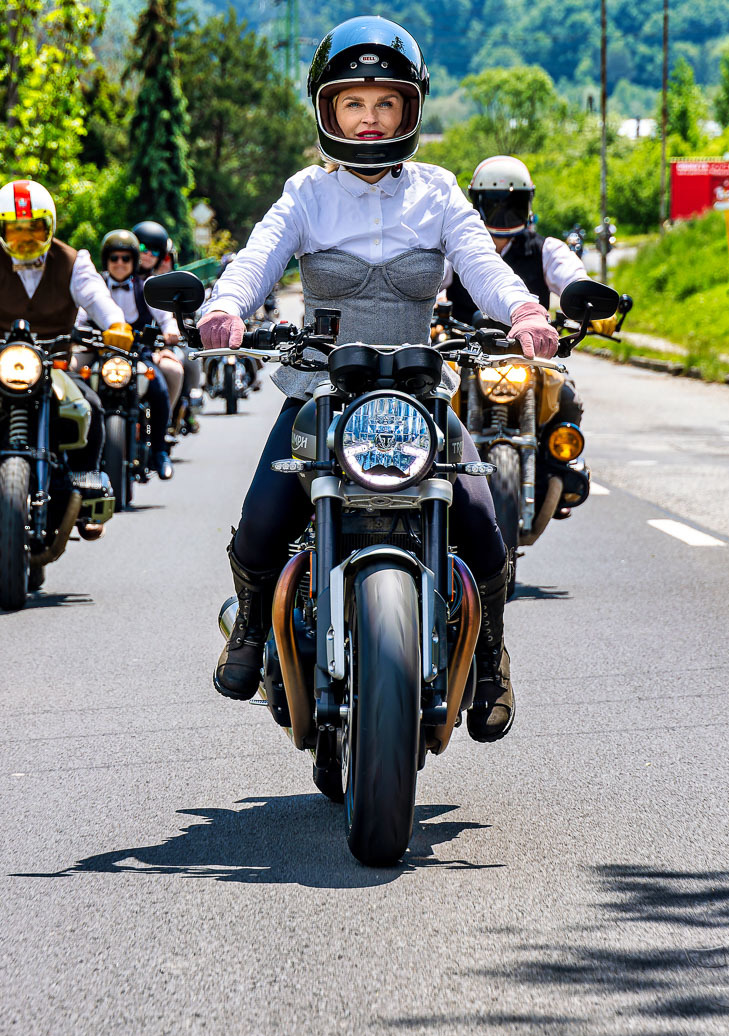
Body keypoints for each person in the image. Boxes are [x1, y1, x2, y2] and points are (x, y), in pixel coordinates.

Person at [196, 17, 559, 742]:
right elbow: (257, 257)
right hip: (319, 391)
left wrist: (521, 309)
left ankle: (490, 662)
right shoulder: (307, 193)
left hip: (418, 394)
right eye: (354, 103)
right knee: (262, 521)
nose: (370, 118)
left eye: (385, 102)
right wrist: (225, 307)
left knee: (483, 526)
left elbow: (479, 264)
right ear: (328, 110)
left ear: (409, 109)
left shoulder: (438, 191)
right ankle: (250, 633)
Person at [0, 179, 134, 536]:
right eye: (16, 231)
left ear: (50, 227)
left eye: (35, 229)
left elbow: (97, 296)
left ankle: (85, 489)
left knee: (90, 406)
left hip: (54, 365)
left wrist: (116, 325)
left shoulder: (74, 261)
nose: (26, 239)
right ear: (0, 230)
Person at [447, 155, 588, 449]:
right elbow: (430, 282)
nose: (503, 212)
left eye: (512, 203)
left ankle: (560, 465)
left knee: (566, 400)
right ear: (476, 203)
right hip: (465, 354)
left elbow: (572, 276)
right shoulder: (458, 248)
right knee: (432, 402)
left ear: (527, 204)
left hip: (531, 355)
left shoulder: (546, 249)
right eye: (494, 203)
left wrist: (586, 300)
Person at [77, 229, 181, 479]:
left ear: (134, 261)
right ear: (106, 260)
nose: (120, 263)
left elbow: (166, 318)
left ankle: (159, 449)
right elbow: (79, 316)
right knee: (70, 379)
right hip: (97, 353)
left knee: (159, 388)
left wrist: (171, 332)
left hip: (138, 355)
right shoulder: (95, 286)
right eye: (114, 258)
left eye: (126, 258)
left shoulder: (146, 288)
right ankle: (73, 453)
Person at [134, 220, 199, 436]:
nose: (146, 255)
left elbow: (166, 318)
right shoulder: (109, 280)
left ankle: (162, 426)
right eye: (142, 248)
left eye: (154, 251)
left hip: (152, 349)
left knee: (181, 364)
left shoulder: (156, 283)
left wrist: (171, 332)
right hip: (112, 348)